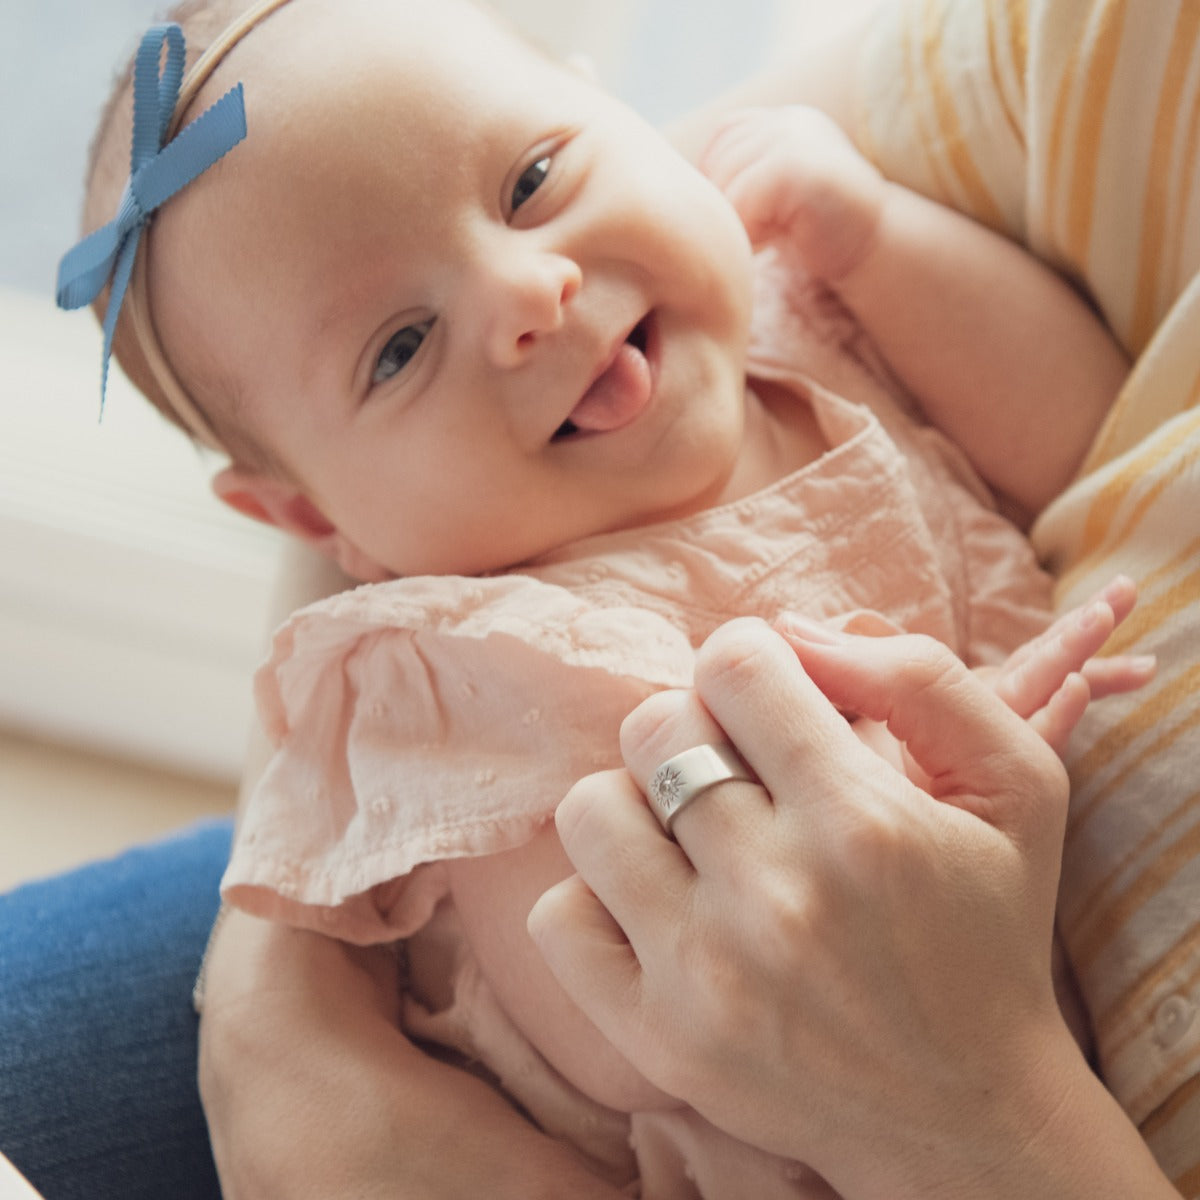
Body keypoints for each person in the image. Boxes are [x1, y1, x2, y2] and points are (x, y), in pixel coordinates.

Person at [2, 0, 1192, 1196]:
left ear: (622, 112)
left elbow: (1093, 434)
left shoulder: (804, 308)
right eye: (401, 348)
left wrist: (882, 242)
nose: (531, 293)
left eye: (530, 181)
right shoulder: (468, 672)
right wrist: (941, 770)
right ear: (318, 521)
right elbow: (634, 1023)